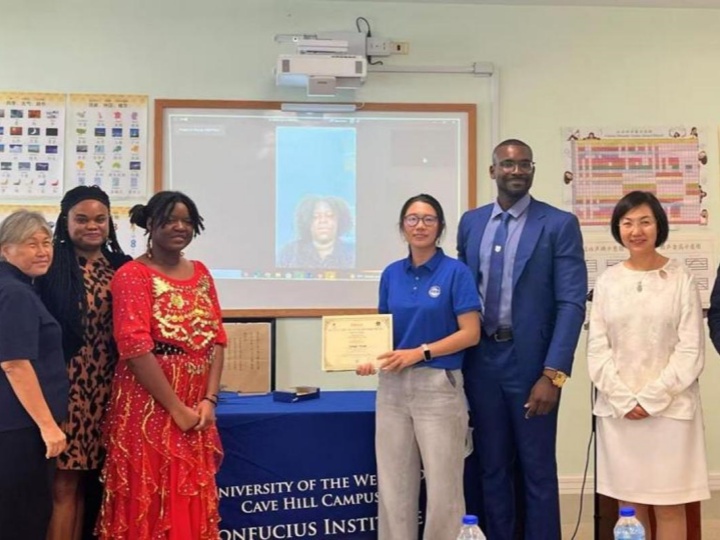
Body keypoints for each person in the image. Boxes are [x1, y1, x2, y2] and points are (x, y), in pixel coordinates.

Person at [457, 139, 587, 539]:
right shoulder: (471, 223)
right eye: (508, 164)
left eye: (524, 164)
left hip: (533, 367)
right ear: (493, 170)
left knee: (537, 469)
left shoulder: (558, 224)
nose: (516, 170)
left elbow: (571, 303)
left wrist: (554, 375)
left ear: (532, 170)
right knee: (491, 466)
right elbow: (461, 296)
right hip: (481, 363)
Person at [96, 191, 226, 540]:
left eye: (187, 221)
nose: (180, 227)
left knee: (189, 491)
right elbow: (135, 347)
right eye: (170, 220)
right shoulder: (132, 275)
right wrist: (176, 409)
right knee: (153, 494)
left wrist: (209, 400)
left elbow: (217, 338)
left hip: (196, 401)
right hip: (150, 403)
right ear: (151, 224)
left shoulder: (201, 272)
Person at [356, 193, 481, 540]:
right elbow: (383, 333)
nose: (420, 225)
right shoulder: (391, 274)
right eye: (412, 219)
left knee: (444, 489)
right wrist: (369, 359)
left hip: (439, 386)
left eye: (428, 219)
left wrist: (420, 353)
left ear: (440, 227)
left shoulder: (456, 272)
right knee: (393, 486)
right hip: (393, 388)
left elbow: (471, 333)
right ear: (402, 227)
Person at [588, 191, 709, 538]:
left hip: (671, 411)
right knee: (629, 508)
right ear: (618, 228)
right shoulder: (608, 281)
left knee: (670, 506)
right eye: (627, 223)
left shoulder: (681, 278)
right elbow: (597, 349)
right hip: (620, 412)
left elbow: (690, 349)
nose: (636, 231)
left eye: (645, 222)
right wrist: (625, 399)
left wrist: (651, 398)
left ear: (659, 226)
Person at [39, 186, 131, 540]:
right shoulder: (50, 265)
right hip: (67, 389)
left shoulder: (123, 267)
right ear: (65, 221)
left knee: (96, 485)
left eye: (100, 219)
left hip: (113, 389)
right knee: (65, 484)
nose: (92, 226)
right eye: (82, 219)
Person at [0, 210, 68, 540]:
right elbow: (14, 363)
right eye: (31, 244)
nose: (42, 251)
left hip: (14, 426)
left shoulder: (17, 287)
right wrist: (48, 426)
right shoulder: (15, 293)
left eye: (46, 243)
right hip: (20, 429)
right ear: (5, 249)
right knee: (23, 519)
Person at [278, 195, 355, 268]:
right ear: (306, 221)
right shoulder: (290, 253)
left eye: (329, 215)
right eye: (315, 216)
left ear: (340, 221)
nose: (323, 220)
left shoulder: (353, 253)